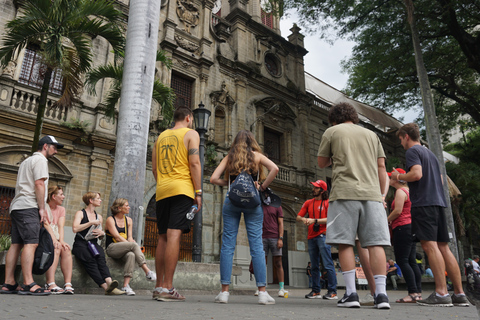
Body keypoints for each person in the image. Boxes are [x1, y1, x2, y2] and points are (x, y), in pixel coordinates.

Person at [317, 102, 391, 309]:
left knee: (345, 243)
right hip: (373, 195)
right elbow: (381, 167)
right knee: (376, 243)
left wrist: (338, 157)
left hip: (344, 192)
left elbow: (321, 162)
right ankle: (382, 295)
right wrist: (382, 195)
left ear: (334, 118)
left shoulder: (332, 131)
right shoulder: (371, 135)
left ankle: (351, 295)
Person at [391, 123, 468, 307]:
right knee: (444, 247)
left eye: (401, 139)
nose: (401, 143)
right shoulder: (431, 154)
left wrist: (399, 177)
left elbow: (416, 174)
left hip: (424, 204)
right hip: (438, 203)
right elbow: (441, 179)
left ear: (406, 137)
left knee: (430, 246)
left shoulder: (412, 152)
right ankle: (459, 293)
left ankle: (441, 293)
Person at [210, 130, 279, 305]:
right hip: (253, 202)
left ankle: (224, 292)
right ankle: (262, 292)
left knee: (227, 245)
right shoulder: (256, 156)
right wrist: (262, 187)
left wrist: (230, 184)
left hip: (231, 202)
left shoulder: (230, 156)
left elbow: (213, 178)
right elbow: (275, 169)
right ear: (252, 141)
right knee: (256, 246)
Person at [1, 135, 63, 296]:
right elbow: (39, 183)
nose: (56, 151)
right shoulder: (41, 161)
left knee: (16, 244)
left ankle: (9, 282)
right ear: (45, 146)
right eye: (54, 147)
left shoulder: (26, 161)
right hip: (29, 206)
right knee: (31, 243)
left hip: (17, 206)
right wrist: (41, 208)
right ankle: (29, 283)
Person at [151, 107, 202, 302]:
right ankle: (168, 288)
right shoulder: (191, 134)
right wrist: (198, 192)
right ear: (189, 118)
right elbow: (195, 163)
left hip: (162, 190)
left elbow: (155, 168)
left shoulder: (160, 137)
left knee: (162, 237)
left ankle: (158, 287)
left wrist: (163, 183)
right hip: (182, 190)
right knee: (174, 236)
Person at [72, 192, 124, 295]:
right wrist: (90, 223)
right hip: (80, 244)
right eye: (98, 198)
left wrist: (102, 233)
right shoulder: (81, 213)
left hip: (93, 243)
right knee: (89, 259)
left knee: (100, 257)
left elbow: (100, 235)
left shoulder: (99, 216)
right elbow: (75, 228)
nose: (100, 200)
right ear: (91, 200)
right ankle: (106, 287)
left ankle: (110, 282)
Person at [105, 198, 157, 296]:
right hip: (112, 248)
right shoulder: (110, 220)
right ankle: (147, 271)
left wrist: (131, 243)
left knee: (131, 255)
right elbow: (117, 237)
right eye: (126, 205)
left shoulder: (128, 220)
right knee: (133, 246)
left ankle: (126, 285)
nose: (129, 207)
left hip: (125, 248)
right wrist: (131, 245)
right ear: (119, 208)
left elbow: (129, 237)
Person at [296, 180, 338, 300]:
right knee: (314, 265)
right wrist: (304, 220)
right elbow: (298, 216)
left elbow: (331, 218)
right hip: (311, 236)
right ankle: (315, 291)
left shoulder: (328, 203)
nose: (313, 189)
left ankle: (332, 291)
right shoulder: (308, 202)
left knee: (327, 264)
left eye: (316, 187)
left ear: (322, 190)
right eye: (313, 187)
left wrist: (314, 221)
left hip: (323, 236)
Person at [386, 170, 422, 302]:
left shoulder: (400, 192)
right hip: (410, 227)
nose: (389, 178)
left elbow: (398, 211)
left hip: (402, 227)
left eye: (391, 176)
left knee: (403, 260)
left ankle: (412, 292)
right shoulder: (410, 190)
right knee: (412, 261)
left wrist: (386, 220)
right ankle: (417, 292)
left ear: (396, 179)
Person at [43, 186, 74, 294]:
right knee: (56, 248)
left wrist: (61, 240)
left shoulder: (61, 209)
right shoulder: (43, 207)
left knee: (66, 249)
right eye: (61, 194)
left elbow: (60, 226)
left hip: (55, 236)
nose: (63, 197)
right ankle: (50, 283)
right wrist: (55, 241)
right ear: (53, 196)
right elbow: (46, 224)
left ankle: (68, 283)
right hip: (44, 236)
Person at [261, 192, 286, 297]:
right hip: (262, 237)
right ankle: (261, 287)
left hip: (275, 237)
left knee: (278, 263)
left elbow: (281, 223)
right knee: (262, 263)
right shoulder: (260, 205)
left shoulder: (277, 206)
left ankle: (281, 288)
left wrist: (280, 238)